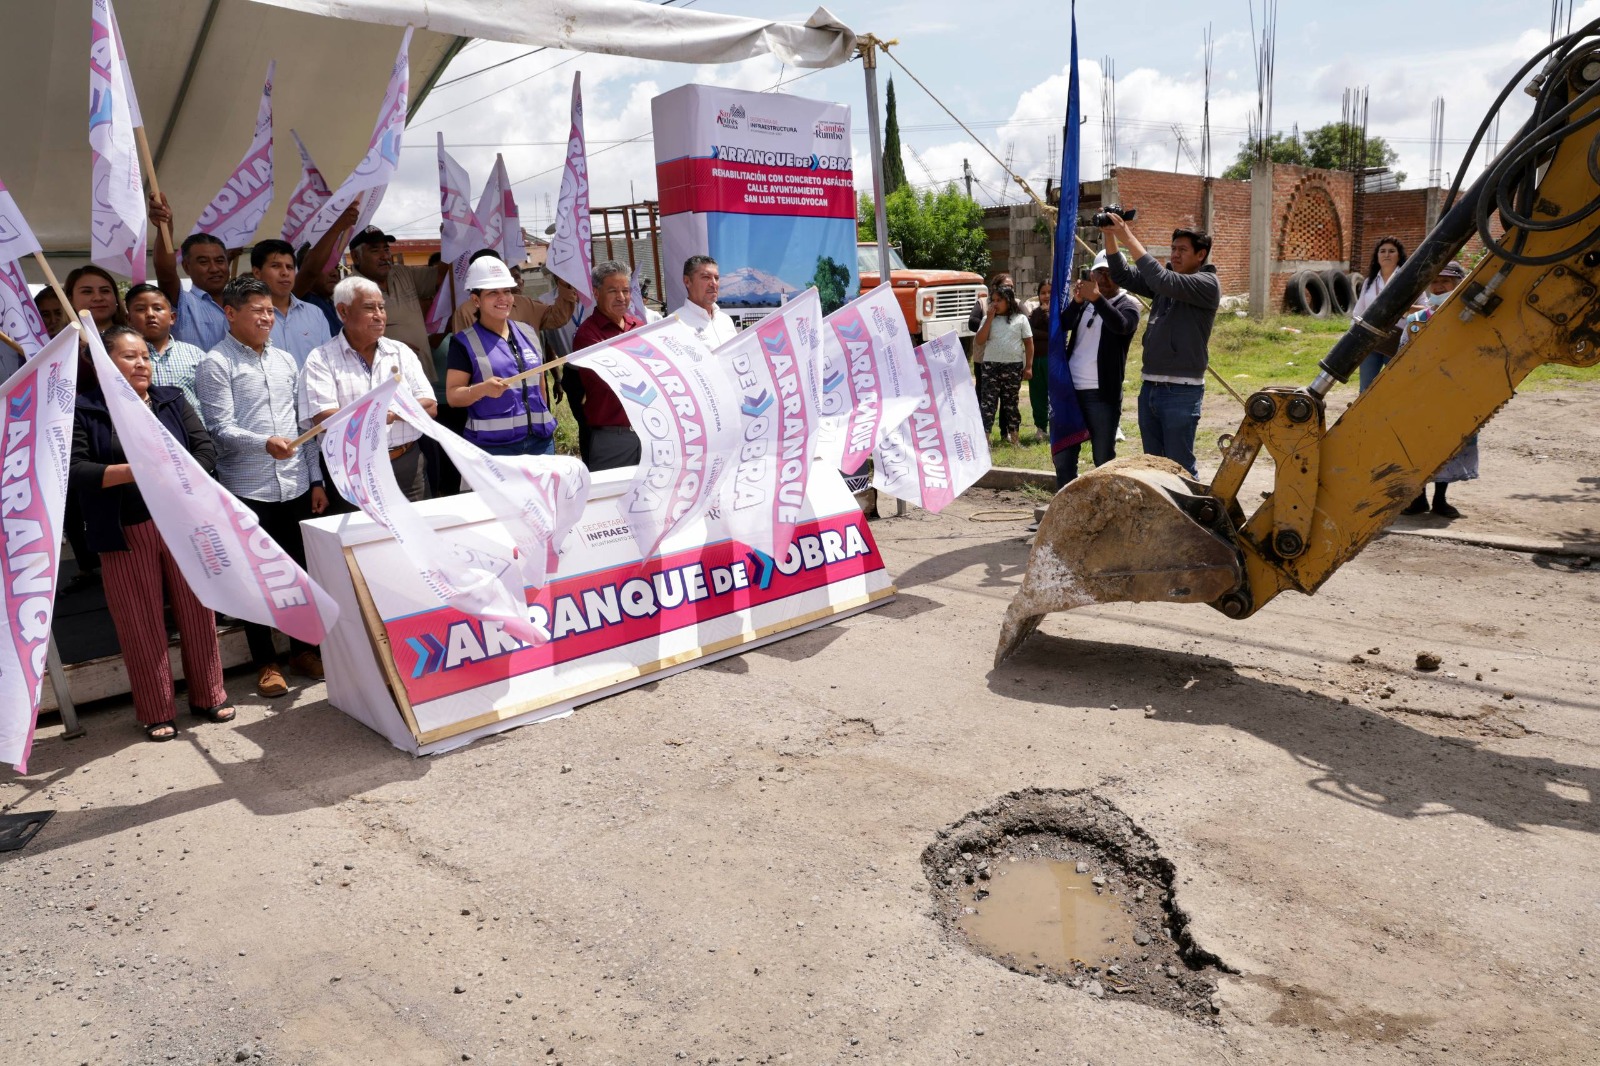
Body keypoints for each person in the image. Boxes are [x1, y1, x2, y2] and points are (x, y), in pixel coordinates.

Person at [70, 326, 233, 741]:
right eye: (129, 356)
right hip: (124, 528)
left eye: (144, 355)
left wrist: (181, 470)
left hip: (183, 523)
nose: (141, 363)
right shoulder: (85, 410)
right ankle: (156, 709)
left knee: (198, 610)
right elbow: (75, 471)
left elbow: (205, 449)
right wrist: (134, 471)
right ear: (104, 363)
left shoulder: (170, 399)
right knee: (139, 621)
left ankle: (209, 695)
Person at [195, 277, 327, 698]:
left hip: (295, 486)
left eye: (270, 311)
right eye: (257, 311)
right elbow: (218, 428)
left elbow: (301, 427)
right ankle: (266, 662)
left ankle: (303, 650)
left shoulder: (286, 361)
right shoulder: (216, 363)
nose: (267, 318)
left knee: (297, 574)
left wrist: (316, 479)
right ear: (231, 314)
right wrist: (262, 443)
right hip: (247, 488)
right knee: (256, 579)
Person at [1101, 215, 1220, 479]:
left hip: (1181, 391)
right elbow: (1121, 274)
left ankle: (1191, 518)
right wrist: (1109, 234)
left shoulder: (1206, 285)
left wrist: (1127, 235)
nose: (1175, 255)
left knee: (1181, 468)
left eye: (1183, 250)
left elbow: (1160, 279)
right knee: (1154, 468)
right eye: (1173, 249)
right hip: (1150, 388)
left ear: (1201, 255)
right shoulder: (1166, 283)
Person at [302, 275, 437, 500]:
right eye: (369, 308)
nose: (379, 316)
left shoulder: (400, 352)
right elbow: (324, 418)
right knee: (366, 535)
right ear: (343, 312)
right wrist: (379, 413)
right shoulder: (321, 359)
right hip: (353, 471)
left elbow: (430, 406)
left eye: (381, 307)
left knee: (417, 531)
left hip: (407, 465)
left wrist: (390, 413)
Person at [446, 257, 557, 458]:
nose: (503, 298)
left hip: (540, 442)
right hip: (494, 449)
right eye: (493, 293)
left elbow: (540, 384)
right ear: (476, 300)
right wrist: (481, 389)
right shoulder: (463, 343)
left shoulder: (529, 332)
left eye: (506, 291)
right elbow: (453, 396)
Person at [1398, 260, 1476, 518]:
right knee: (1419, 445)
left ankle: (1441, 500)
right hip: (1422, 394)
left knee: (1448, 445)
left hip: (1456, 393)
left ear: (1457, 284)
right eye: (1435, 281)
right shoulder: (1416, 319)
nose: (1439, 286)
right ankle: (1418, 498)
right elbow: (1403, 356)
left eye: (1445, 281)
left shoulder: (1469, 318)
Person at [1055, 255, 1142, 487]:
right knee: (1063, 455)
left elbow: (1121, 326)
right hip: (1071, 391)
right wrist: (1077, 302)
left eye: (1109, 273)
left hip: (1101, 394)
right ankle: (1065, 508)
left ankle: (1103, 507)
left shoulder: (1129, 305)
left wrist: (1097, 299)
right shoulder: (1085, 303)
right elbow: (1062, 325)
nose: (1103, 278)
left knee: (1102, 458)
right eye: (1098, 273)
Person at [345, 226, 444, 381]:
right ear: (356, 257)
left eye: (386, 249)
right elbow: (347, 341)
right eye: (375, 250)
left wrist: (450, 240)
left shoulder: (402, 273)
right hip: (384, 382)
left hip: (421, 376)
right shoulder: (349, 291)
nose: (384, 256)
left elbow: (441, 276)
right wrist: (389, 349)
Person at [572, 260, 645, 470]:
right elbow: (614, 380)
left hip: (649, 432)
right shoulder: (588, 335)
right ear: (596, 293)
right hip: (613, 437)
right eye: (613, 291)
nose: (622, 297)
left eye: (626, 290)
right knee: (611, 499)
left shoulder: (638, 326)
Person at [148, 195, 232, 354]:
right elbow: (165, 272)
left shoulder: (242, 304)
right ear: (186, 267)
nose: (214, 268)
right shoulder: (183, 303)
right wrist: (165, 228)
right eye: (203, 262)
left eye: (220, 261)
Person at [252, 238, 331, 368]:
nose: (285, 273)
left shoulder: (314, 313)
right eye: (275, 266)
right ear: (257, 273)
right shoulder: (246, 317)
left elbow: (328, 362)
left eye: (289, 267)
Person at [125, 283, 206, 411]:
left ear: (172, 318)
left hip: (191, 430)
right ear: (129, 319)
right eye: (140, 309)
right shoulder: (123, 359)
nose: (150, 314)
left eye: (158, 308)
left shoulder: (196, 355)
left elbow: (209, 403)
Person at [973, 283, 1033, 446]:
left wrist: (1028, 366)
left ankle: (1014, 439)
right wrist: (990, 319)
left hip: (1013, 367)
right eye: (993, 300)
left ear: (1009, 301)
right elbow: (979, 340)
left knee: (1011, 404)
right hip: (991, 367)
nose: (995, 304)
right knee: (988, 404)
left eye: (999, 300)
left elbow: (1028, 343)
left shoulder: (1020, 319)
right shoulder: (987, 319)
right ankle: (985, 441)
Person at [1352, 236, 1408, 392]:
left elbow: (1423, 307)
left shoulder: (1407, 279)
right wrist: (1354, 339)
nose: (1387, 255)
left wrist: (1404, 311)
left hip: (1397, 340)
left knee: (1396, 386)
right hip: (1370, 341)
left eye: (1391, 251)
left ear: (1399, 256)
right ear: (1377, 257)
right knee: (1366, 387)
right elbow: (1358, 312)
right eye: (1382, 251)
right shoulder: (1369, 282)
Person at [674, 255, 737, 348]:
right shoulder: (676, 323)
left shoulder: (725, 320)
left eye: (716, 278)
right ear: (687, 281)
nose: (714, 284)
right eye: (706, 277)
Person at [297, 243, 344, 336]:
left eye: (336, 266)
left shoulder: (336, 305)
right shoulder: (300, 303)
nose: (335, 273)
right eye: (326, 266)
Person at [1027, 279, 1054, 441]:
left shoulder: (1060, 312)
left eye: (1050, 292)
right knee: (1037, 395)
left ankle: (1058, 427)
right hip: (1036, 360)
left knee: (1055, 395)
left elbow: (1056, 331)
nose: (1046, 296)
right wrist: (1047, 336)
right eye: (1043, 293)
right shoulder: (1035, 313)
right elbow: (1030, 333)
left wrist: (1049, 314)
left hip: (1053, 359)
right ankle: (1041, 428)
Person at [64, 264, 127, 332]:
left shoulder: (135, 339)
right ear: (70, 300)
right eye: (87, 292)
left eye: (105, 291)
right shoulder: (62, 342)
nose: (98, 298)